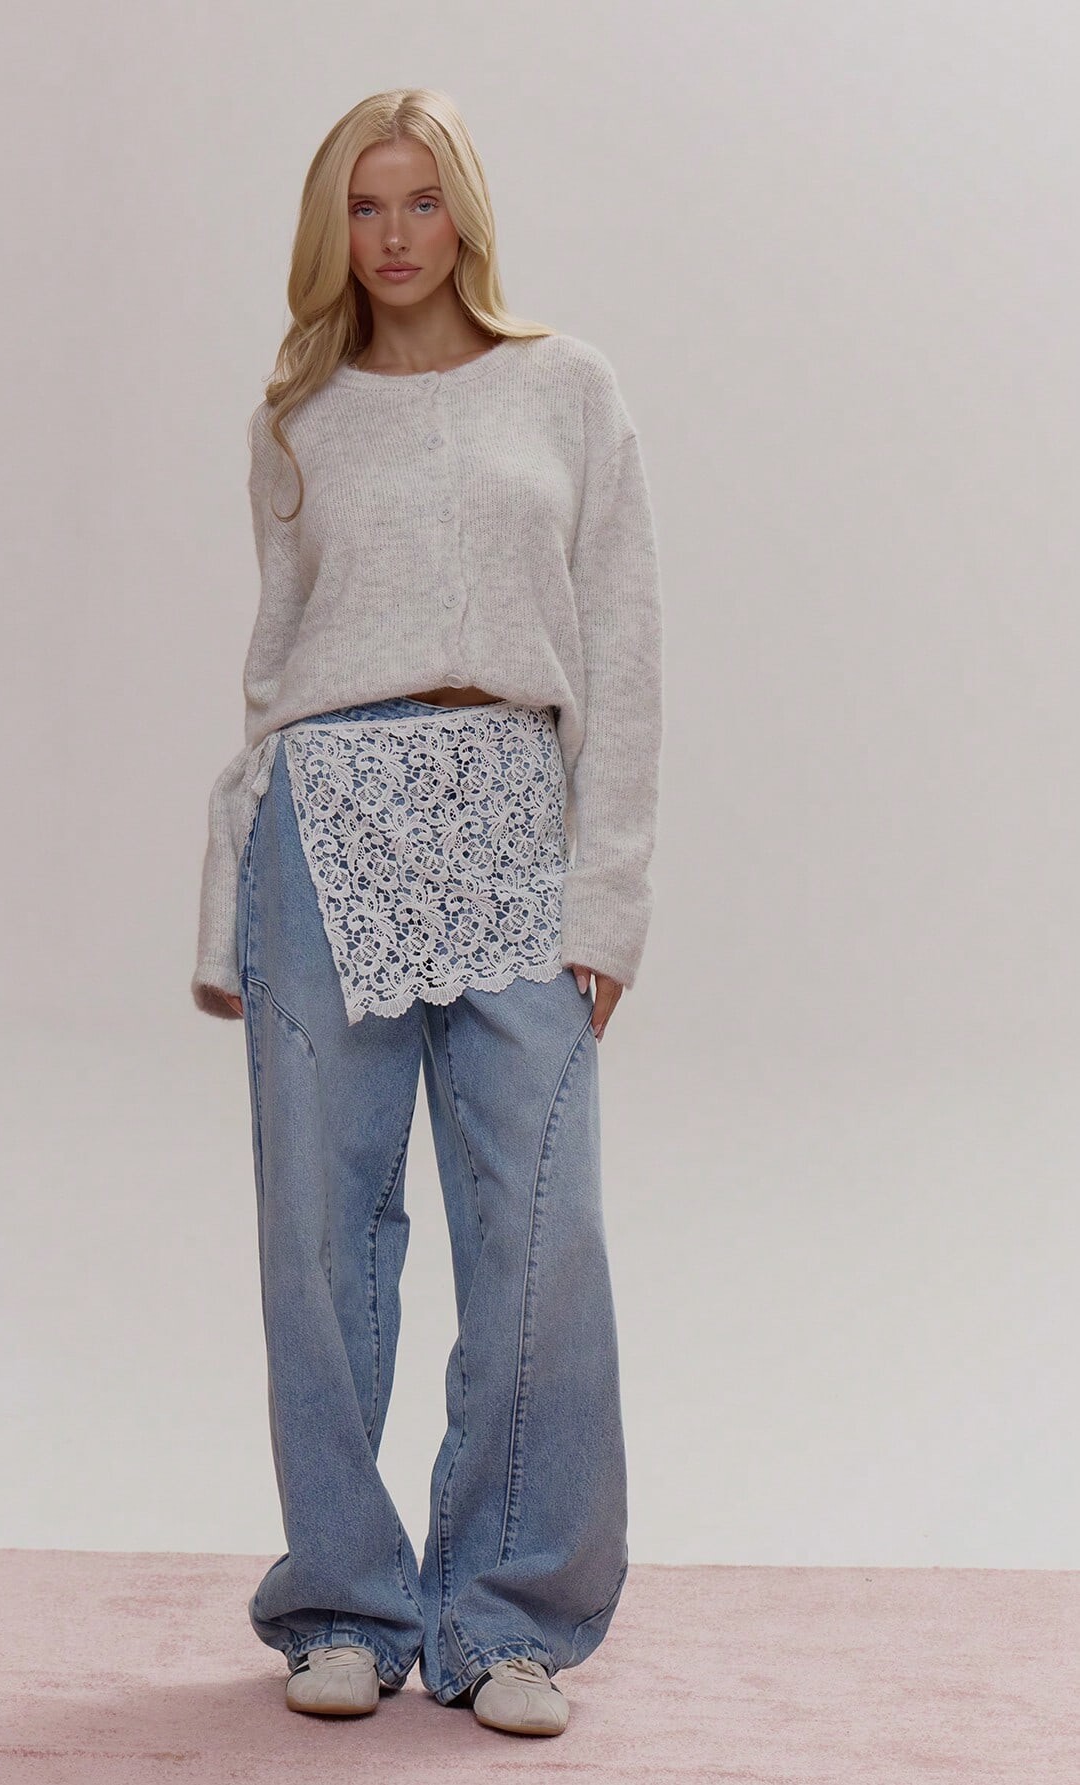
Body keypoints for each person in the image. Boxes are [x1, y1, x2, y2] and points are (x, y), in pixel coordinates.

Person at [192, 86, 663, 1740]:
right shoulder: (299, 419)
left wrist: (609, 897)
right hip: (322, 823)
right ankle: (343, 1598)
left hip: (515, 811)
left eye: (420, 200)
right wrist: (229, 913)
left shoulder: (569, 389)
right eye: (362, 206)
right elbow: (271, 681)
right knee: (319, 1235)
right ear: (332, 231)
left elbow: (623, 645)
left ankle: (508, 1611)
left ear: (465, 212)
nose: (393, 235)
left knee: (541, 1227)